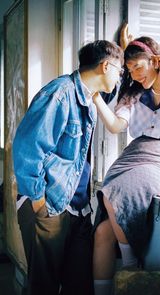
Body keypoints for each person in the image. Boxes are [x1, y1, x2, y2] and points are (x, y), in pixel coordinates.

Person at [12, 40, 124, 295]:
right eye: (119, 71)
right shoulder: (60, 94)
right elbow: (26, 150)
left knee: (79, 286)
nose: (119, 78)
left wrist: (125, 49)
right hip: (49, 207)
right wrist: (39, 202)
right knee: (44, 287)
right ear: (105, 66)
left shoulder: (89, 97)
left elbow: (112, 95)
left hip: (78, 210)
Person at [92, 25, 160, 295]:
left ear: (157, 61)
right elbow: (115, 126)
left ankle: (131, 264)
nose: (134, 74)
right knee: (101, 234)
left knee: (114, 193)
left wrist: (158, 67)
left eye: (137, 67)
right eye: (129, 70)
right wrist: (96, 97)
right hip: (133, 155)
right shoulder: (133, 92)